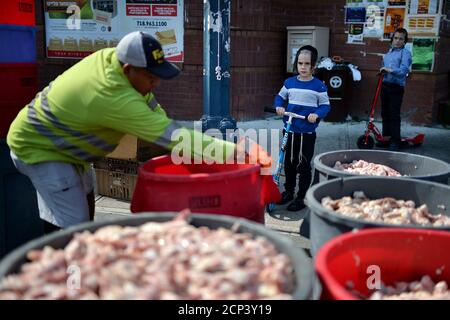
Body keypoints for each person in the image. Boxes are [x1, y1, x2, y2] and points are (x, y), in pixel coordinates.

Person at [7, 31, 271, 233]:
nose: (156, 82)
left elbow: (155, 113)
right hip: (40, 148)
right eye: (151, 77)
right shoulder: (112, 96)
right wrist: (238, 151)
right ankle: (68, 283)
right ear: (127, 70)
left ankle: (80, 259)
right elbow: (174, 137)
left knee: (85, 196)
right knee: (72, 228)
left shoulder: (112, 59)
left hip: (64, 145)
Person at [274, 45, 330, 211]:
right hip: (290, 130)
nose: (303, 67)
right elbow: (280, 97)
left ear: (313, 66)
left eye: (307, 64)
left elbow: (325, 106)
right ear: (296, 65)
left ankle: (302, 196)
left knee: (303, 165)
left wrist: (316, 114)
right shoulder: (289, 83)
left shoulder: (319, 86)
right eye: (300, 63)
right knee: (289, 164)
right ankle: (289, 191)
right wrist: (279, 106)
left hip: (306, 132)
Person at [380, 27, 412, 151]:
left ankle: (395, 140)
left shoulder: (405, 53)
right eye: (396, 38)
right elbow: (383, 67)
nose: (398, 41)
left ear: (404, 41)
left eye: (401, 39)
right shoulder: (388, 54)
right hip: (385, 86)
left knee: (394, 114)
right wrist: (382, 71)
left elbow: (403, 71)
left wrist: (390, 70)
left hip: (396, 88)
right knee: (385, 113)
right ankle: (386, 138)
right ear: (392, 39)